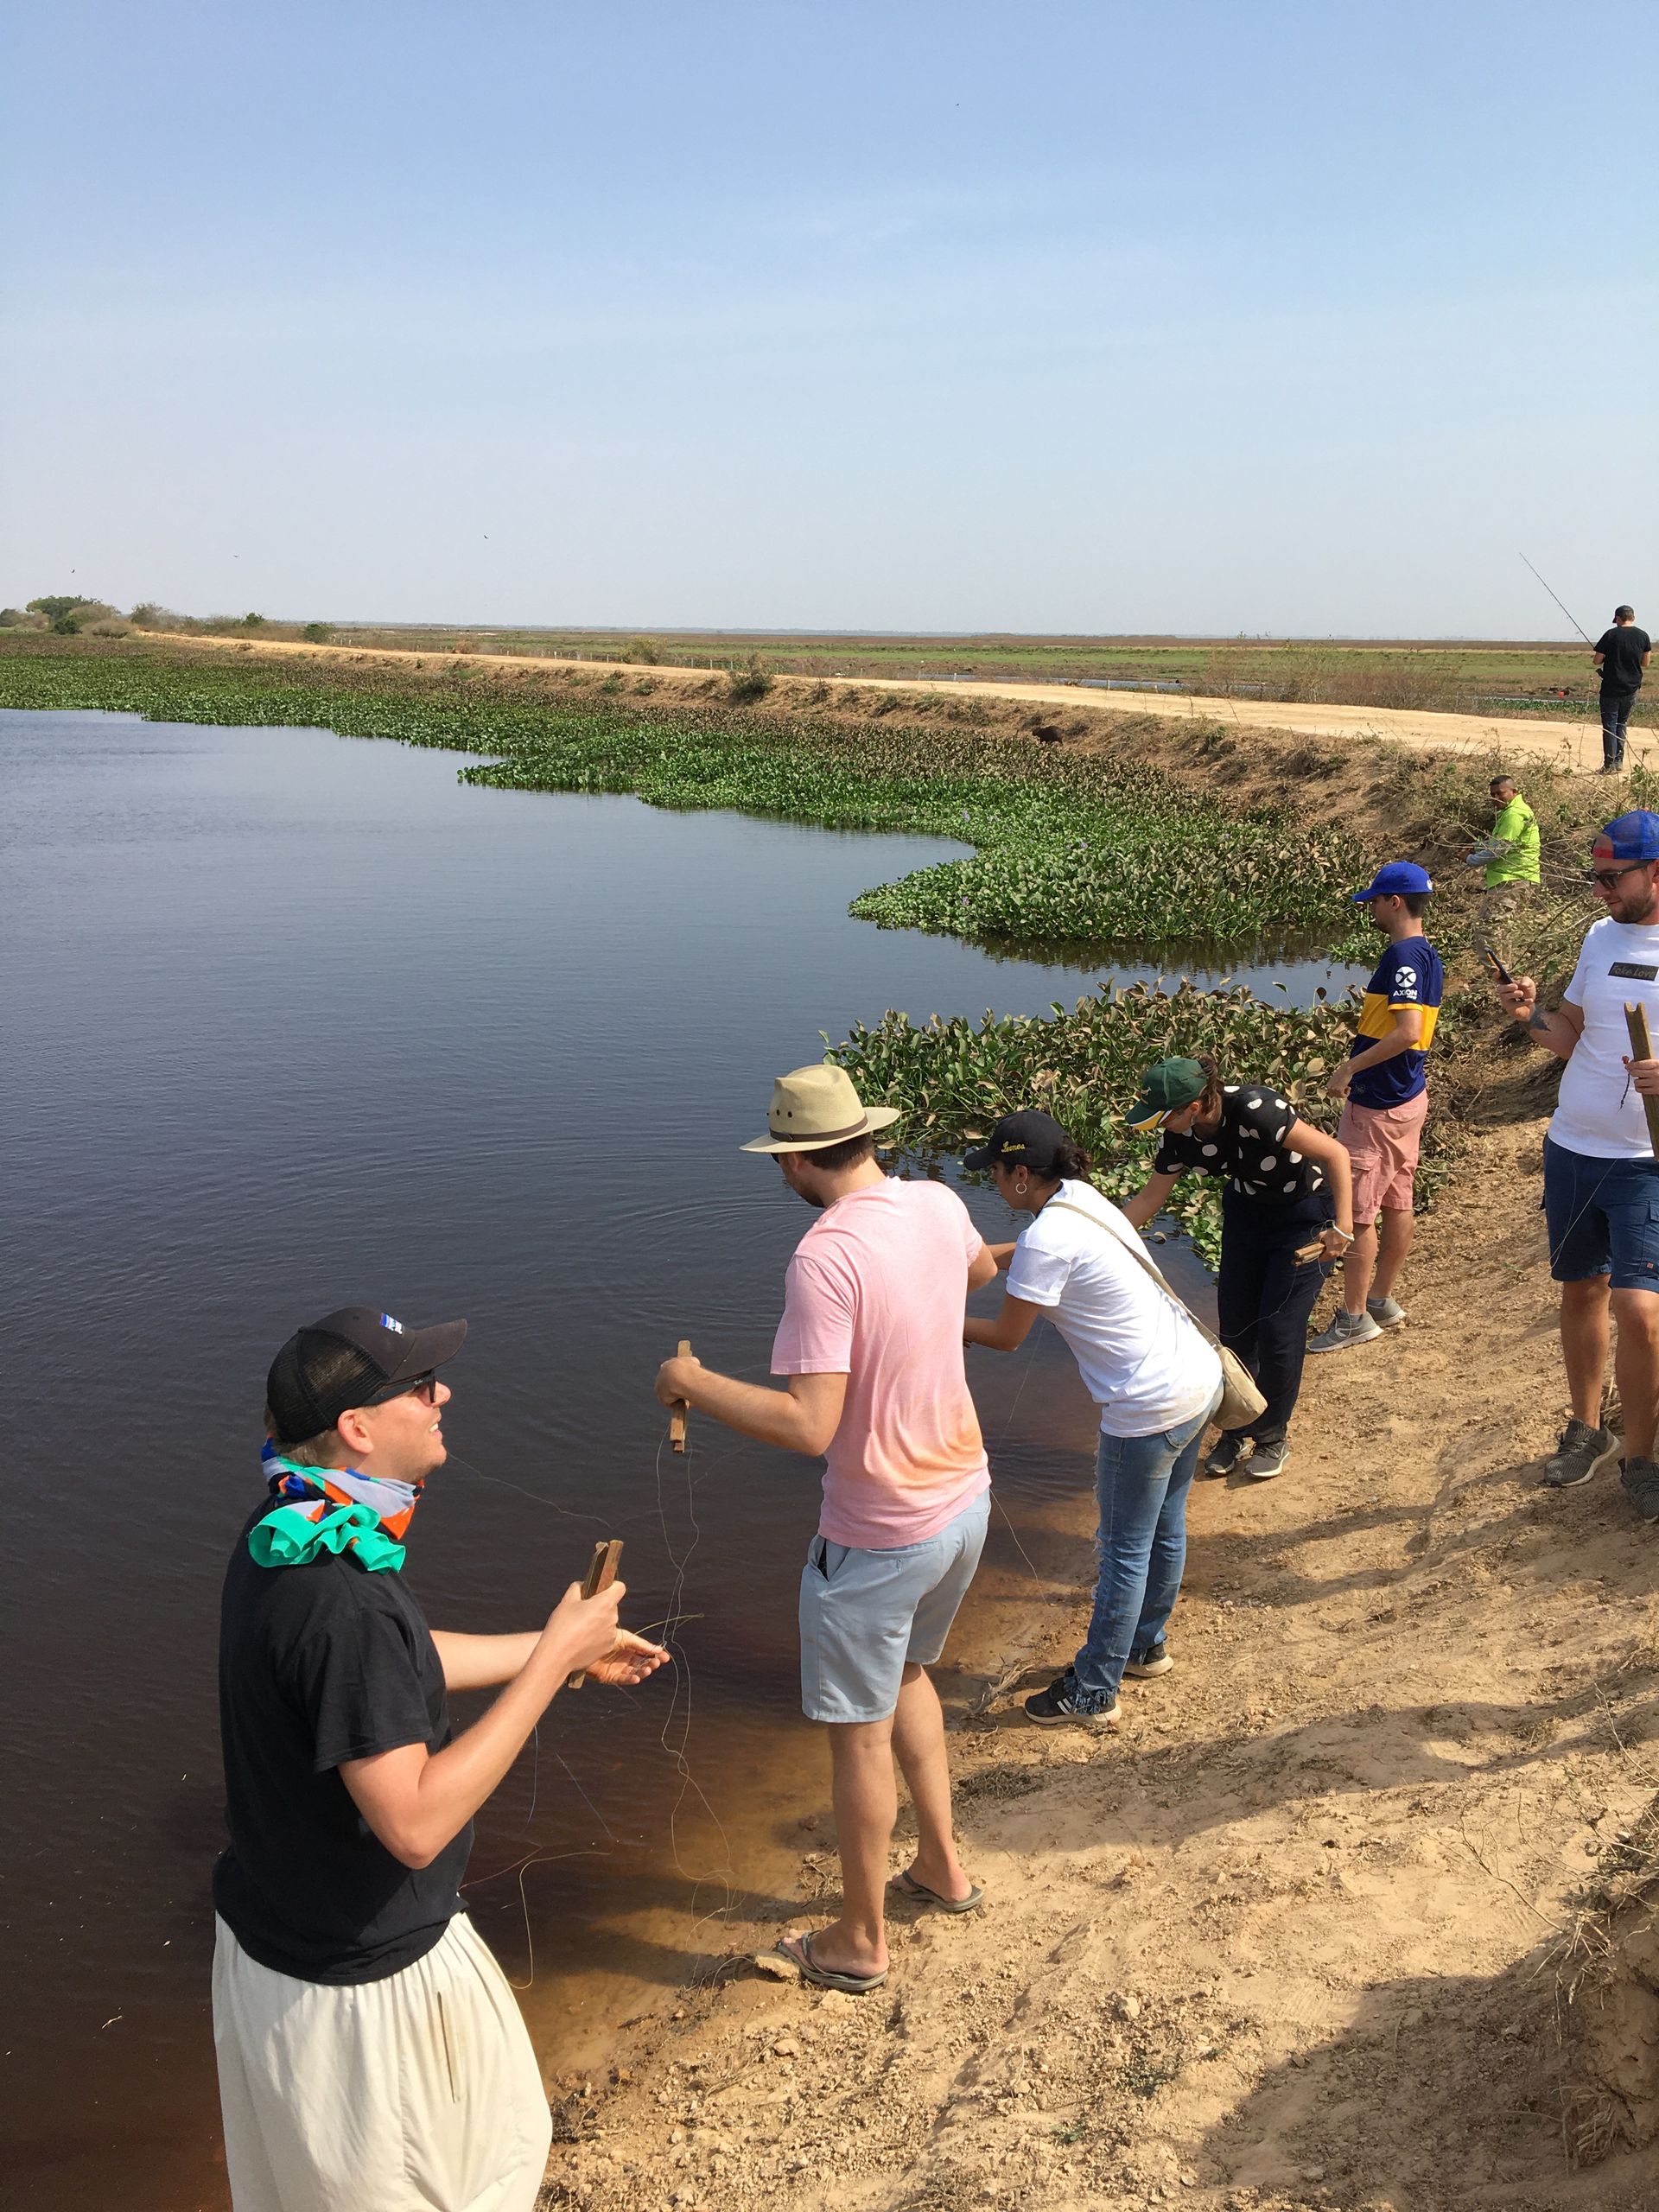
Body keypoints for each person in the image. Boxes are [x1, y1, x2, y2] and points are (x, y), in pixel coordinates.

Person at [214, 1307, 669, 2212]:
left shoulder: (290, 1526)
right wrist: (548, 1665)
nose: (442, 1394)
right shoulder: (342, 1599)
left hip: (281, 1954)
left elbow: (395, 1666)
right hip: (357, 2000)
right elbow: (414, 1822)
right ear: (358, 1428)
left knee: (498, 2145)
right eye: (420, 1386)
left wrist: (561, 1644)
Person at [655, 1064, 997, 1997]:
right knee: (913, 1676)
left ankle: (859, 1940)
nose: (780, 1177)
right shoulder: (932, 1199)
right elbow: (973, 1273)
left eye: (782, 1161)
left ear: (802, 1159)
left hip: (881, 1532)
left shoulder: (823, 1255)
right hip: (965, 1498)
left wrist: (697, 1386)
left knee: (856, 1734)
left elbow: (811, 1426)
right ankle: (942, 1868)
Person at [961, 1109, 1222, 1728]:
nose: (994, 1184)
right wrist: (970, 1262)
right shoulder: (1079, 1199)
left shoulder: (1048, 1238)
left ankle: (1096, 1688)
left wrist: (924, 1320)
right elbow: (1026, 1255)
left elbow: (1004, 1336)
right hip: (1197, 1380)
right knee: (1164, 1528)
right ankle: (1145, 1646)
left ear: (1021, 1175)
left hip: (1147, 1408)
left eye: (996, 1172)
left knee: (1123, 1549)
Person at [1493, 810, 1659, 1518]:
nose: (1600, 892)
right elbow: (1569, 1037)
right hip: (1572, 1150)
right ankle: (1588, 1429)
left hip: (1646, 1161)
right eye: (1594, 877)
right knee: (1582, 1291)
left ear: (1656, 871)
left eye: (1611, 878)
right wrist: (1526, 1013)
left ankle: (1643, 1456)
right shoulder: (1598, 937)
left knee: (1642, 1313)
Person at [1118, 1056, 1355, 1479]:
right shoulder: (1179, 1136)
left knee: (1280, 1331)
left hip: (1304, 1212)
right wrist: (1104, 1235)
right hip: (1247, 1213)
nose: (1157, 1126)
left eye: (1162, 1117)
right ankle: (1236, 1429)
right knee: (1237, 1328)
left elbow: (1336, 1153)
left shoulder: (1257, 1110)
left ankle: (1272, 1436)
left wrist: (1343, 1227)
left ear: (1193, 1105)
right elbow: (1148, 1199)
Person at [1309, 861, 1443, 1353]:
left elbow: (1407, 1031)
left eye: (1375, 902)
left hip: (1381, 1103)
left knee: (1358, 1210)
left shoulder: (1403, 957)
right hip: (1409, 1097)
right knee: (1397, 1199)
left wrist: (1349, 1069)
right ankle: (1381, 1298)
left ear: (1395, 902)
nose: (1371, 910)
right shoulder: (1427, 954)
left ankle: (1354, 1316)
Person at [1465, 775, 1541, 962]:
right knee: (1501, 930)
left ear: (1514, 792)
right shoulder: (1511, 811)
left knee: (1488, 928)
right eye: (1493, 794)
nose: (1496, 798)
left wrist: (1470, 859)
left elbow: (1499, 850)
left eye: (1501, 793)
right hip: (1512, 878)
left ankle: (1501, 977)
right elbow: (1497, 843)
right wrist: (1475, 846)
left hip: (1513, 879)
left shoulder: (1514, 814)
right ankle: (1506, 975)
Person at [1593, 606, 1650, 774]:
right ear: (1632, 617)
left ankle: (1609, 764)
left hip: (1611, 688)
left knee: (1609, 725)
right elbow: (1645, 663)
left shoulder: (1611, 634)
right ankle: (1618, 761)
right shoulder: (1643, 636)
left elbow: (1597, 661)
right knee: (1621, 723)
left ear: (1618, 618)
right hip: (1632, 688)